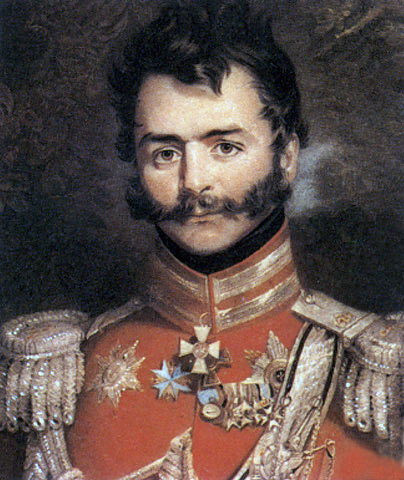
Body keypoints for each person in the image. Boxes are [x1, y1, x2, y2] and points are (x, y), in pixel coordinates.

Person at [1, 1, 404, 479]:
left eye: (225, 147)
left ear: (287, 157)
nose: (193, 182)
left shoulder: (381, 373)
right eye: (166, 153)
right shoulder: (56, 371)